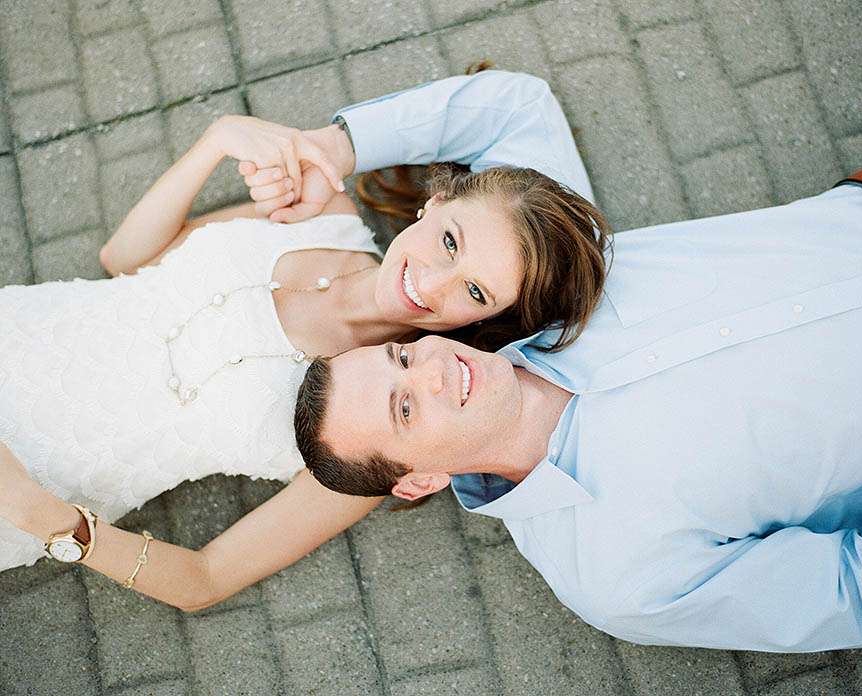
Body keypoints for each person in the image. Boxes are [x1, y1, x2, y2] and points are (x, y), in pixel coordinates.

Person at [273, 76, 862, 652]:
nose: (433, 370)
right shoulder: (616, 575)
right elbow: (860, 590)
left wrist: (333, 147)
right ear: (420, 481)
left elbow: (516, 104)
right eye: (406, 407)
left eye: (402, 356)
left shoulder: (546, 289)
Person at [0, 73, 610, 612]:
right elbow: (124, 258)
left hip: (29, 477)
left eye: (475, 292)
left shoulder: (380, 425)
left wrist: (44, 518)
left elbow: (204, 578)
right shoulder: (325, 214)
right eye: (450, 242)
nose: (430, 281)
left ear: (495, 320)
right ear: (434, 204)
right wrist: (216, 138)